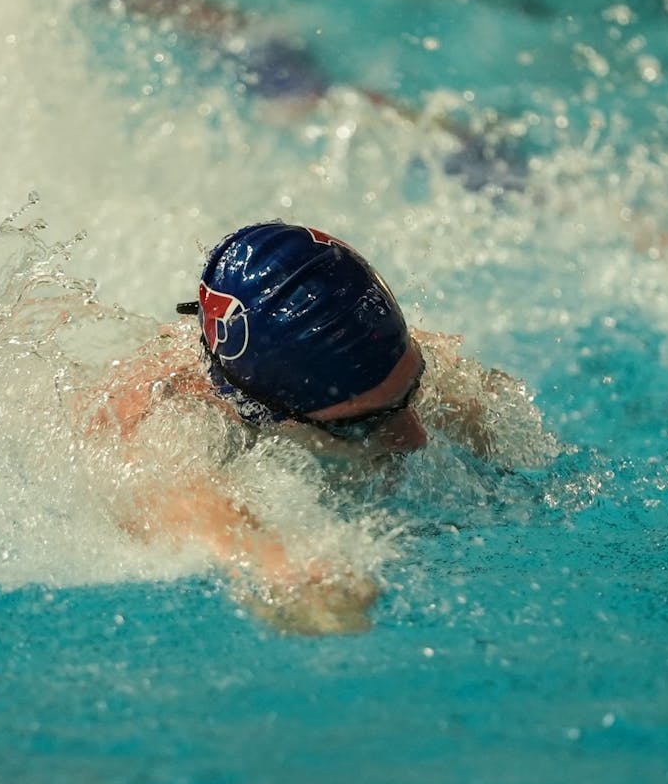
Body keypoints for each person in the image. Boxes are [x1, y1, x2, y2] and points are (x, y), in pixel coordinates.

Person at [72, 221, 557, 634]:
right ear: (262, 411)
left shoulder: (377, 363)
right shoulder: (152, 419)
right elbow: (180, 505)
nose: (416, 438)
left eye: (414, 387)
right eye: (360, 425)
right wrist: (276, 563)